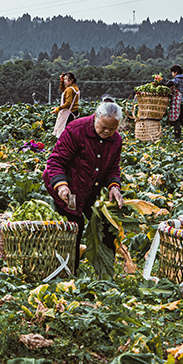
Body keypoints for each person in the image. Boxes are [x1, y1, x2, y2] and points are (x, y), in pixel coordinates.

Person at [43, 97, 125, 274]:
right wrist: (62, 186)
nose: (107, 132)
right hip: (69, 186)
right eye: (103, 127)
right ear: (96, 117)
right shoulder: (76, 129)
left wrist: (114, 186)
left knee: (106, 226)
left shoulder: (116, 140)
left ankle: (105, 271)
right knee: (74, 225)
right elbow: (56, 160)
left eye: (112, 129)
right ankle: (68, 271)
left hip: (91, 188)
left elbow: (113, 167)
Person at [161, 65, 183, 140]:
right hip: (180, 101)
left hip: (180, 101)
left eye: (172, 72)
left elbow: (170, 83)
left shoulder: (179, 78)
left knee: (176, 119)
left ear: (176, 72)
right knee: (181, 119)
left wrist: (161, 80)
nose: (172, 74)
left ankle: (178, 136)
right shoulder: (179, 77)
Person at [52, 72, 80, 138]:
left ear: (72, 80)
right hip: (74, 112)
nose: (65, 81)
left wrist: (59, 108)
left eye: (66, 79)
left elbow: (68, 103)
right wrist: (61, 82)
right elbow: (63, 89)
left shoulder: (70, 89)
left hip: (69, 114)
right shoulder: (74, 87)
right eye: (64, 79)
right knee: (71, 132)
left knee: (64, 133)